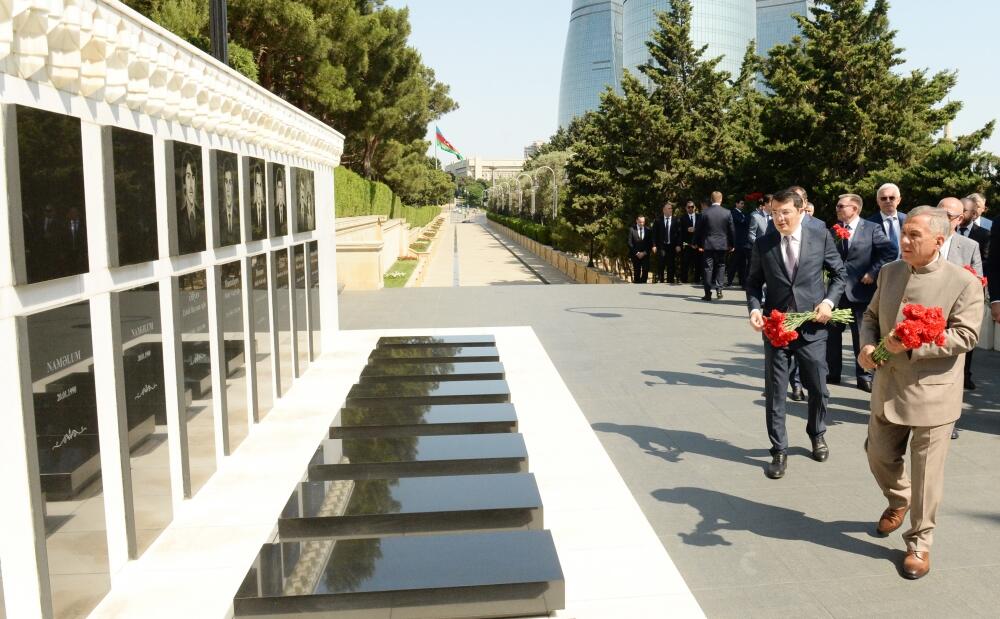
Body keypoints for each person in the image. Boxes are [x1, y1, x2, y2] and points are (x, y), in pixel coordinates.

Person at [858, 206, 982, 580]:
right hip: (888, 387)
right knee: (878, 455)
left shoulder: (963, 282)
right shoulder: (890, 272)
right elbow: (870, 317)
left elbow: (966, 336)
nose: (905, 241)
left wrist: (915, 344)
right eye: (905, 233)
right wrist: (867, 346)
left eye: (915, 235)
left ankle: (919, 543)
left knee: (926, 476)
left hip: (933, 394)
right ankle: (899, 498)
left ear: (939, 241)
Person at [747, 189, 846, 479]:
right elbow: (753, 283)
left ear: (801, 211)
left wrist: (828, 302)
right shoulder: (764, 243)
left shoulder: (820, 237)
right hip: (776, 328)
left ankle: (817, 433)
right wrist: (754, 309)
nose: (779, 218)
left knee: (818, 387)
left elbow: (839, 275)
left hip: (812, 326)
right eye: (774, 213)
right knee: (776, 391)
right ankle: (779, 450)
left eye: (785, 212)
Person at [824, 194, 894, 392]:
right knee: (832, 335)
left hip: (861, 292)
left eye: (841, 206)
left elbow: (889, 251)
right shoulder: (833, 230)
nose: (837, 209)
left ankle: (864, 375)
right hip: (837, 292)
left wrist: (873, 272)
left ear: (854, 209)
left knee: (862, 335)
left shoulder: (872, 228)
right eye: (837, 206)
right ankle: (832, 372)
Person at [937, 197, 983, 403]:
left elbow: (977, 282)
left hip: (954, 315)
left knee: (951, 371)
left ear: (959, 219)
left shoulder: (969, 246)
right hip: (922, 311)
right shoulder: (922, 240)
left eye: (948, 216)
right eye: (938, 213)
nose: (942, 218)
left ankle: (946, 412)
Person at [695, 191, 735, 301]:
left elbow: (698, 230)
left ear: (711, 200)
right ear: (721, 199)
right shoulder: (727, 212)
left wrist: (696, 243)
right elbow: (732, 230)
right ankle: (719, 290)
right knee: (721, 265)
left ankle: (707, 293)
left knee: (708, 268)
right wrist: (732, 244)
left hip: (708, 244)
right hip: (722, 244)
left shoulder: (705, 212)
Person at [870, 183, 906, 258]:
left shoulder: (909, 220)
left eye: (892, 198)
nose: (888, 201)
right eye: (883, 198)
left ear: (899, 200)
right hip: (882, 265)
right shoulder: (869, 224)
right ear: (878, 201)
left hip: (907, 263)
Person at [652, 201, 681, 283]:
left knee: (671, 265)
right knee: (661, 263)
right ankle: (660, 280)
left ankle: (670, 281)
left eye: (671, 208)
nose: (671, 210)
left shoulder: (676, 220)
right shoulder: (658, 220)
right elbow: (654, 234)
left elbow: (679, 234)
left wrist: (678, 245)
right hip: (662, 246)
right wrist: (654, 245)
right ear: (664, 210)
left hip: (672, 246)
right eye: (669, 208)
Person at [727, 199, 751, 288]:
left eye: (743, 203)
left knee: (743, 263)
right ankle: (729, 281)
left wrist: (745, 219)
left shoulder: (744, 213)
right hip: (737, 242)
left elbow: (747, 220)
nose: (742, 205)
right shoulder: (733, 213)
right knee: (734, 262)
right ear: (736, 203)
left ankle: (742, 281)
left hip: (744, 242)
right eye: (741, 203)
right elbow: (742, 221)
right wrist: (745, 219)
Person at [958, 197, 990, 262]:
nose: (959, 214)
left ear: (974, 214)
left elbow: (985, 260)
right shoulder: (949, 229)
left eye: (964, 210)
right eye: (958, 210)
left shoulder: (985, 234)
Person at [627, 215, 652, 283]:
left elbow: (650, 243)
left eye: (643, 222)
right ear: (637, 221)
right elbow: (629, 243)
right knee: (637, 272)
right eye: (640, 222)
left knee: (645, 271)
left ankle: (643, 285)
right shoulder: (631, 229)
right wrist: (637, 253)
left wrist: (644, 252)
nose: (642, 223)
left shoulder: (648, 230)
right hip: (635, 255)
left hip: (645, 254)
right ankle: (637, 287)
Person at [680, 200, 700, 283]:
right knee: (685, 263)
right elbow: (680, 232)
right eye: (689, 207)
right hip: (687, 245)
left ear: (695, 207)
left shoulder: (699, 216)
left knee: (698, 264)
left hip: (697, 245)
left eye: (692, 207)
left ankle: (697, 280)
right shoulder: (682, 218)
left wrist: (696, 230)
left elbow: (703, 229)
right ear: (686, 208)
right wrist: (687, 229)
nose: (691, 208)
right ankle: (684, 280)